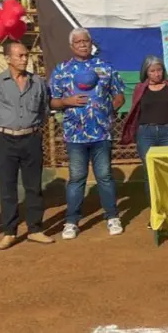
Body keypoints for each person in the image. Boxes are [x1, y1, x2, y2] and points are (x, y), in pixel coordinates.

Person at [49, 28, 127, 240]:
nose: (83, 44)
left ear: (90, 43)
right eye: (78, 41)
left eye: (86, 41)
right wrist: (66, 102)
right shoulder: (62, 70)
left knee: (104, 176)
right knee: (76, 178)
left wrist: (110, 108)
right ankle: (72, 221)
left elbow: (120, 95)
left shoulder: (105, 67)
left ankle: (112, 217)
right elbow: (52, 101)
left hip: (102, 133)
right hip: (75, 135)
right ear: (71, 46)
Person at [0, 41, 54, 250]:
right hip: (5, 140)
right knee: (7, 187)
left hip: (31, 139)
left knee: (33, 186)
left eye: (26, 55)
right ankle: (10, 232)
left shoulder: (39, 83)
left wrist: (30, 127)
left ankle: (35, 229)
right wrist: (7, 125)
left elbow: (44, 108)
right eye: (20, 56)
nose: (25, 59)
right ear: (8, 59)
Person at [120, 56, 168, 210]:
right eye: (153, 71)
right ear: (146, 72)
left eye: (159, 70)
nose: (157, 74)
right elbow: (135, 111)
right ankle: (155, 211)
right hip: (146, 133)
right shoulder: (140, 88)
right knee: (150, 173)